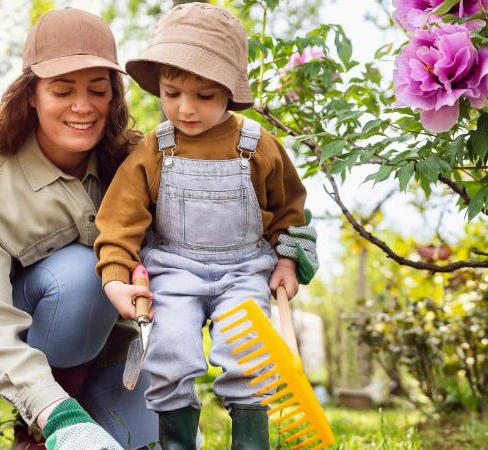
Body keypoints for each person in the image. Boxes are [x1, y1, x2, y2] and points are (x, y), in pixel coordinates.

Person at [93, 3, 319, 449]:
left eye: (204, 96)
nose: (186, 108)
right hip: (174, 270)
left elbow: (291, 209)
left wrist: (288, 262)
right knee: (171, 354)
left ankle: (250, 442)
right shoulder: (155, 151)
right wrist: (117, 277)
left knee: (248, 357)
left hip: (244, 271)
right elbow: (120, 221)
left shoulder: (257, 146)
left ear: (230, 91)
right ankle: (178, 442)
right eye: (172, 93)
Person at [0, 8, 157, 450]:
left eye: (98, 90)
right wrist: (57, 415)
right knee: (81, 274)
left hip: (116, 348)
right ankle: (42, 424)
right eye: (62, 90)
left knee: (156, 440)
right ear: (31, 96)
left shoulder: (138, 165)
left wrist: (286, 238)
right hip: (32, 351)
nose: (83, 107)